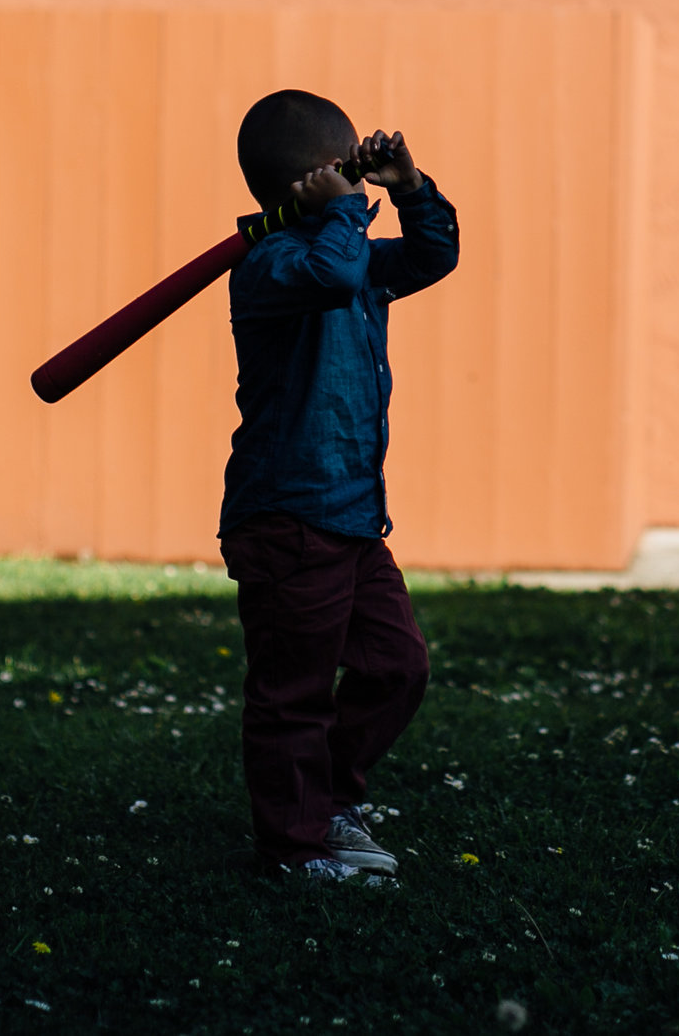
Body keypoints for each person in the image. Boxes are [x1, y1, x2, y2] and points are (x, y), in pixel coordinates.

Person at [219, 89, 460, 880]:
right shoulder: (273, 263)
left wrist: (408, 188)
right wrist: (348, 210)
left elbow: (428, 256)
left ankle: (329, 800)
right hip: (288, 516)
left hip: (353, 517)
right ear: (307, 186)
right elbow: (332, 269)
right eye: (344, 170)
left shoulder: (349, 256)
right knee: (292, 691)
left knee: (398, 664)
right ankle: (294, 847)